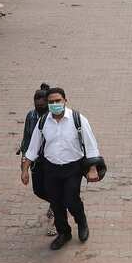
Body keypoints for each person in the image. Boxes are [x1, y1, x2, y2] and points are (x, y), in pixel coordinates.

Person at [20, 88, 101, 250]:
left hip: (73, 167)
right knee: (56, 202)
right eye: (52, 102)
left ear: (65, 100)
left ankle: (81, 222)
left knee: (71, 199)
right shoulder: (43, 122)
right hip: (51, 169)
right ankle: (64, 232)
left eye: (58, 101)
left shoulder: (78, 119)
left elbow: (91, 145)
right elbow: (33, 147)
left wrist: (93, 168)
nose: (55, 104)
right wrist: (25, 169)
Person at [18, 84, 56, 236]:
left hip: (53, 160)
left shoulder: (54, 117)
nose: (39, 104)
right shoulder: (31, 116)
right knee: (38, 189)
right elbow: (26, 139)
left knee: (53, 187)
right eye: (36, 101)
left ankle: (56, 218)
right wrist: (24, 166)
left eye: (42, 102)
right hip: (36, 160)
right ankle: (57, 202)